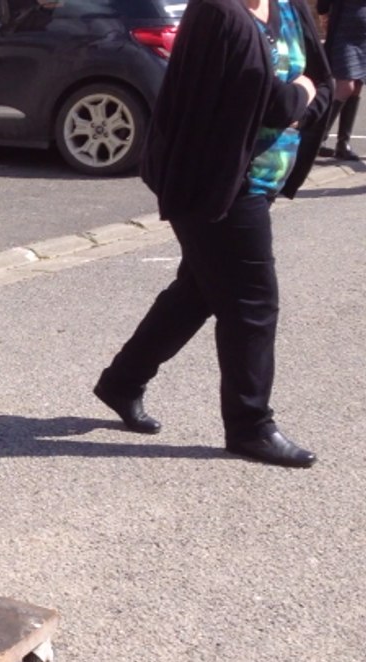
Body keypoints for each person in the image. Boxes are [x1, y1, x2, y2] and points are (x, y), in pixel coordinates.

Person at [93, 0, 332, 468]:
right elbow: (270, 101)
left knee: (198, 291)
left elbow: (321, 83)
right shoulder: (218, 14)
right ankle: (250, 426)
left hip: (259, 182)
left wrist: (299, 98)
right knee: (253, 304)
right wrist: (296, 98)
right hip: (214, 183)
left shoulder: (288, 8)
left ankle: (121, 382)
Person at [318, 0, 366, 159]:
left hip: (363, 37)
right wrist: (323, 13)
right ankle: (317, 138)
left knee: (357, 86)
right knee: (346, 86)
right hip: (344, 31)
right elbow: (323, 5)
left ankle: (343, 144)